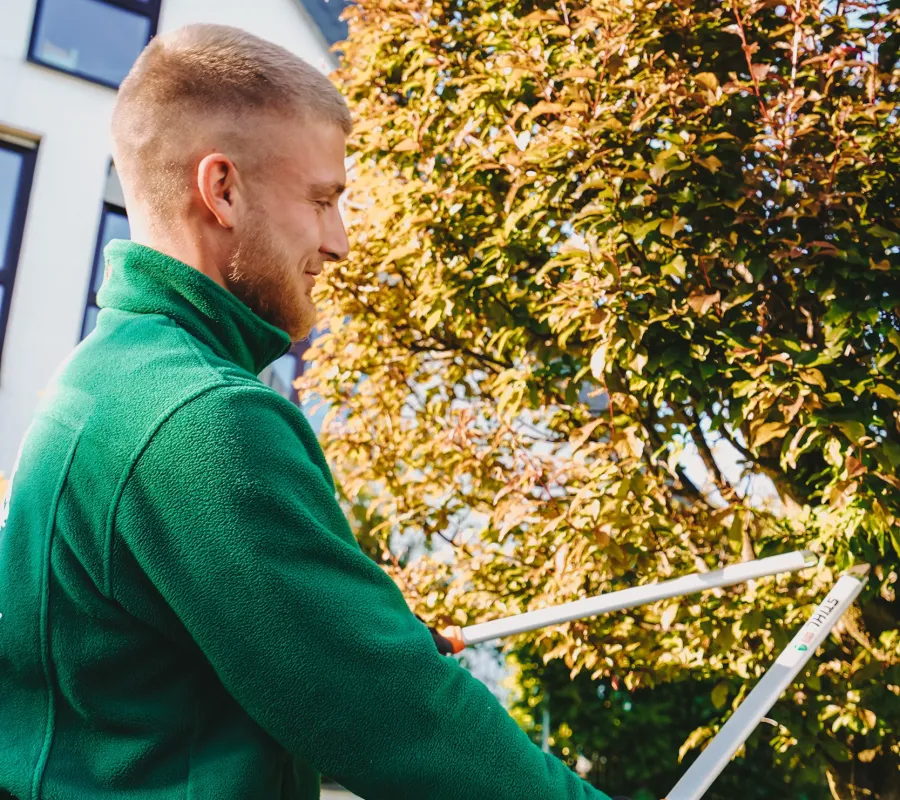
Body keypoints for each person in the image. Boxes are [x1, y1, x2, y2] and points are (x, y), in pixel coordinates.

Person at [0, 24, 625, 800]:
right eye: (323, 201)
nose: (341, 242)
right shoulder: (202, 418)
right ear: (222, 190)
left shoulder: (106, 374)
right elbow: (398, 716)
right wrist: (369, 663)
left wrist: (345, 628)